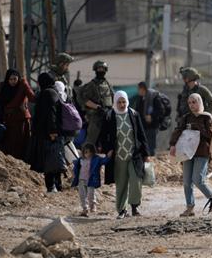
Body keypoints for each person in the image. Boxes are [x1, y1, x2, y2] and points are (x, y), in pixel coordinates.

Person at [98, 91, 150, 219]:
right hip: (118, 156)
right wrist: (107, 149)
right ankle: (122, 210)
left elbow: (141, 134)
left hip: (134, 154)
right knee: (121, 183)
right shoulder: (110, 115)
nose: (122, 105)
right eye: (119, 102)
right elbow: (103, 136)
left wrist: (146, 153)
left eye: (124, 102)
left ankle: (134, 206)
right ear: (115, 102)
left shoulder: (133, 114)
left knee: (136, 180)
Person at [170, 93, 212, 217]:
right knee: (186, 181)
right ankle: (190, 207)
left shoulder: (206, 118)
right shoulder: (186, 118)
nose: (191, 105)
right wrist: (173, 144)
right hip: (187, 152)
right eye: (189, 103)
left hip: (202, 152)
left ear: (199, 102)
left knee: (198, 179)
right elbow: (178, 130)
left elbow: (210, 136)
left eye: (194, 102)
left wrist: (198, 129)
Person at [29, 73, 66, 193]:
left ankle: (52, 186)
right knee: (55, 158)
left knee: (49, 160)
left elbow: (51, 114)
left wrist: (52, 131)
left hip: (49, 133)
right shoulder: (54, 92)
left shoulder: (47, 93)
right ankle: (57, 185)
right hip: (52, 132)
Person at [0, 69, 35, 160]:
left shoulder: (22, 86)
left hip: (21, 121)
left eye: (15, 79)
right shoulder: (4, 87)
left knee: (20, 143)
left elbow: (32, 98)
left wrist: (26, 85)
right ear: (7, 79)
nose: (13, 81)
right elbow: (0, 103)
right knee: (8, 144)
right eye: (11, 79)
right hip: (8, 120)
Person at [71, 143, 111, 217]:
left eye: (90, 152)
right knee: (82, 196)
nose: (88, 154)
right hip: (81, 180)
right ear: (83, 152)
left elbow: (104, 161)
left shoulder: (96, 159)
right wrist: (74, 174)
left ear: (93, 152)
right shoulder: (80, 160)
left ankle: (92, 206)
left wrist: (108, 156)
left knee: (90, 194)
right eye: (86, 152)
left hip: (91, 180)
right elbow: (76, 168)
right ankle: (85, 209)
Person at [80, 60, 114, 146]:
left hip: (108, 115)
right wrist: (97, 107)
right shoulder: (91, 85)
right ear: (95, 70)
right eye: (99, 68)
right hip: (96, 116)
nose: (101, 70)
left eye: (103, 69)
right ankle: (85, 157)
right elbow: (85, 100)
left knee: (108, 140)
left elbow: (113, 98)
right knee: (91, 140)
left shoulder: (108, 84)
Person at [134, 82, 165, 156]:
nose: (138, 91)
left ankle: (151, 163)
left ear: (142, 89)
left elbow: (161, 110)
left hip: (152, 126)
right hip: (143, 126)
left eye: (139, 89)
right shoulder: (140, 98)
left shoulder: (153, 97)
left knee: (151, 147)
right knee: (143, 146)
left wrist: (151, 116)